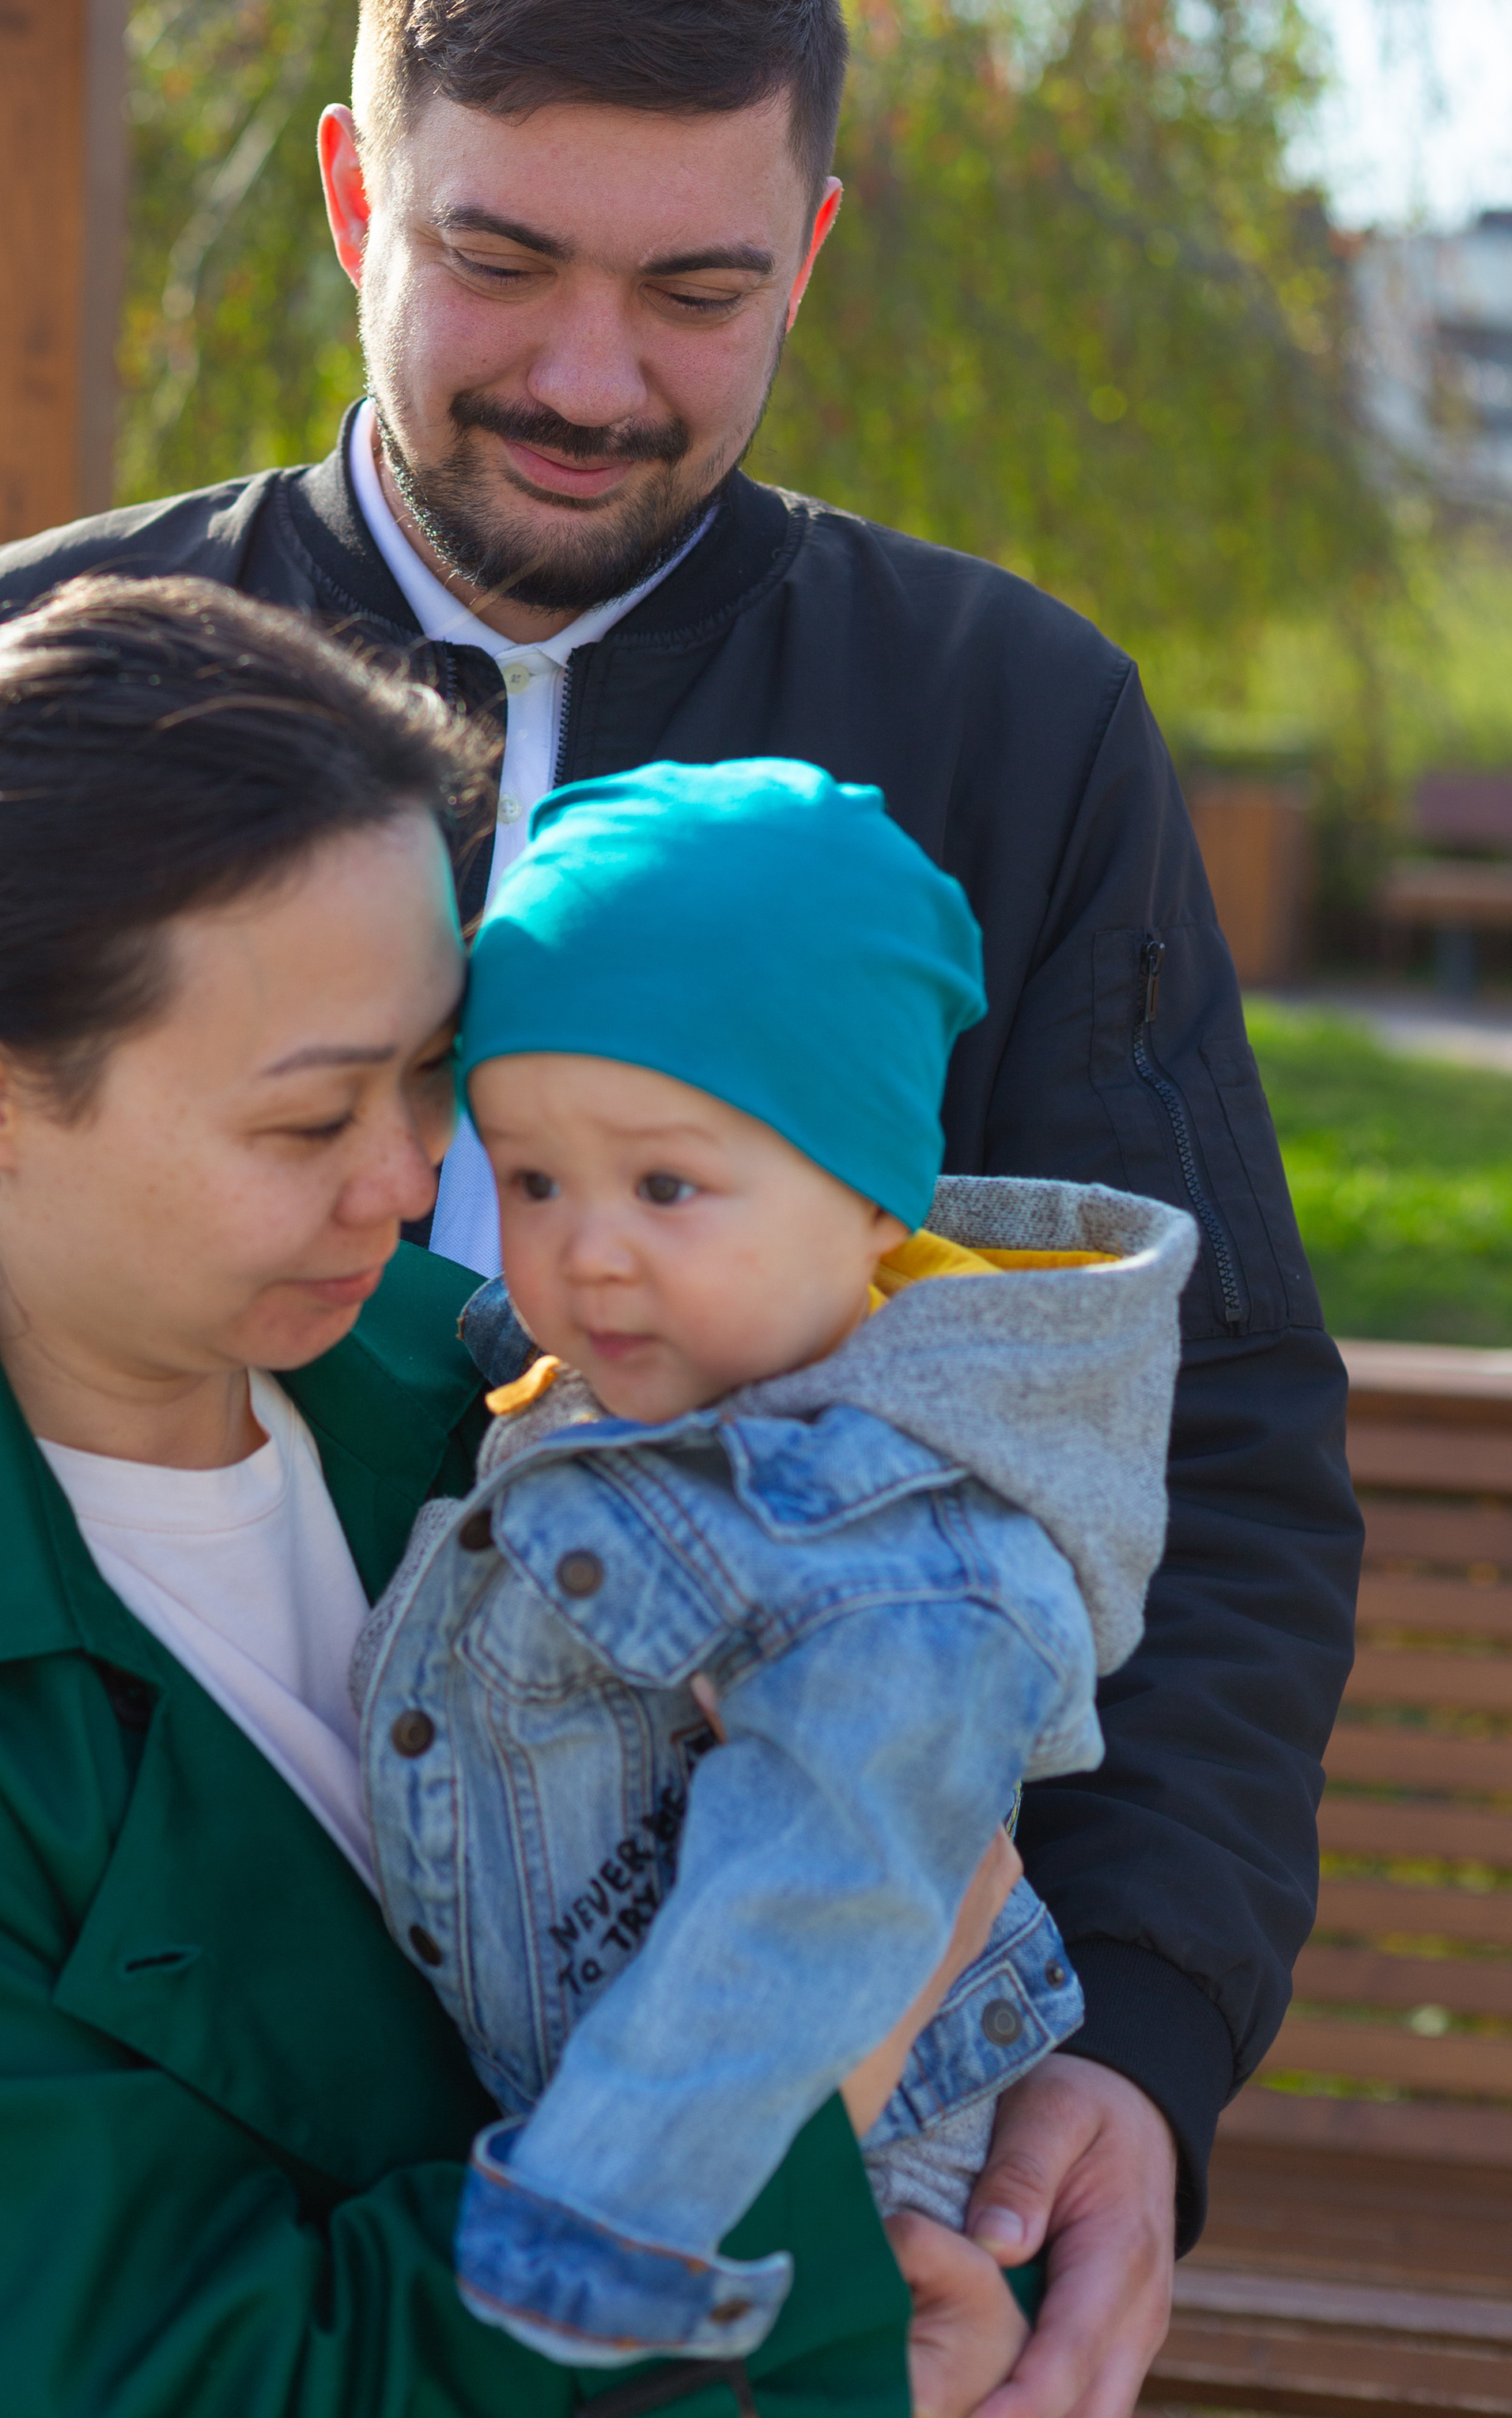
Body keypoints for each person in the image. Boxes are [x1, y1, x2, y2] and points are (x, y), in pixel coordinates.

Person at [0, 0, 1361, 2418]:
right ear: (348, 195)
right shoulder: (32, 670)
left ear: (814, 259)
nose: (586, 373)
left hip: (816, 2143)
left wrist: (1142, 2042)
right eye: (499, 259)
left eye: (698, 290)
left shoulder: (1004, 722)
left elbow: (1192, 1426)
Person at [0, 575, 1003, 2418]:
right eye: (305, 1121)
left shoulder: (488, 1394)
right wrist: (797, 2106)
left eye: (432, 1076)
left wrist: (906, 2298)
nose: (408, 1185)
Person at [353, 760, 1193, 2392]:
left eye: (665, 1184)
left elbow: (811, 1907)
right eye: (531, 1181)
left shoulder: (894, 1565)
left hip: (766, 2180)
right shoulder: (667, 1373)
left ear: (870, 1198)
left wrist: (592, 2234)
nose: (586, 1250)